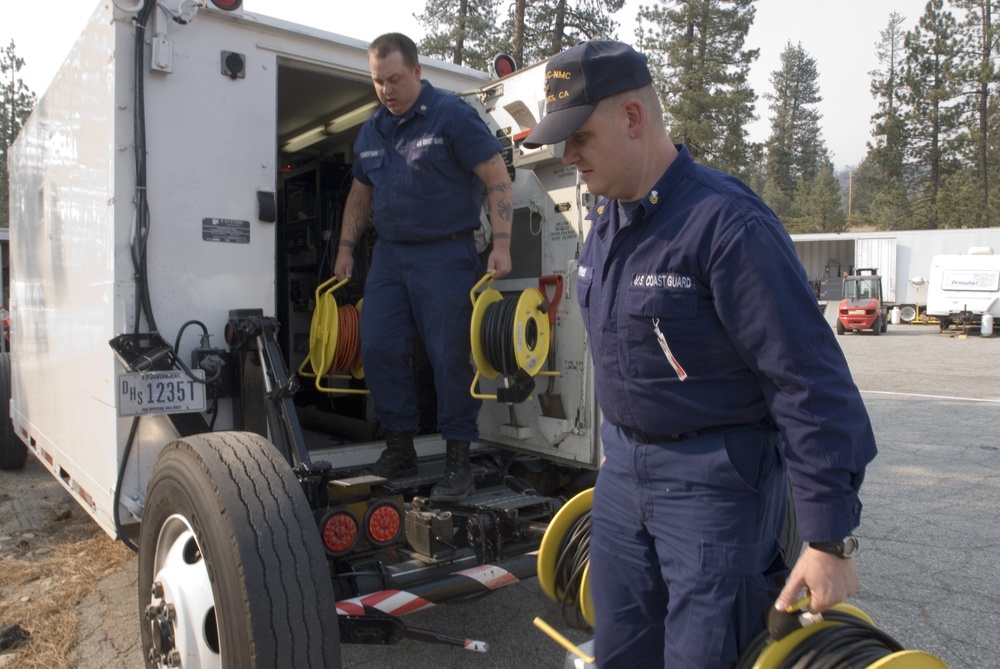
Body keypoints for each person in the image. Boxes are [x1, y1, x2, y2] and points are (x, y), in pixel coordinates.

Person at [521, 41, 877, 668]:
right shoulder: (606, 225)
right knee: (621, 649)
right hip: (624, 474)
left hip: (713, 487)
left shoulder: (728, 225)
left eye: (579, 136)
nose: (567, 156)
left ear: (634, 118)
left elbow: (808, 381)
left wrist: (827, 537)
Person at [334, 33, 513, 502]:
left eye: (394, 78)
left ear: (416, 72)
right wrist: (346, 248)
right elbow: (360, 194)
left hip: (445, 253)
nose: (386, 89)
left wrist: (502, 243)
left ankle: (458, 463)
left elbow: (496, 176)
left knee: (449, 356)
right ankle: (400, 446)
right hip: (391, 256)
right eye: (377, 81)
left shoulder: (452, 115)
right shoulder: (372, 129)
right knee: (377, 345)